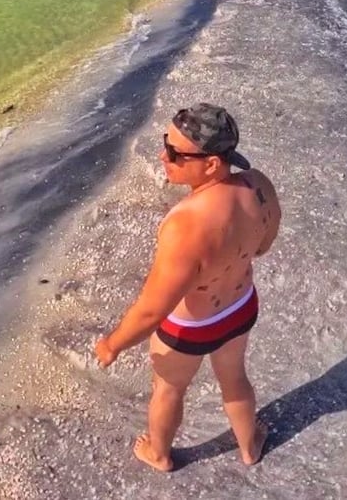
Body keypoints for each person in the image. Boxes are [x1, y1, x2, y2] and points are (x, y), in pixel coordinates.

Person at [94, 104, 281, 472]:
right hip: (240, 305)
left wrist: (112, 344)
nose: (164, 156)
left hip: (190, 328)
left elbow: (152, 310)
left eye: (176, 153)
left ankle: (159, 454)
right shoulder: (259, 185)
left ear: (211, 163)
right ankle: (249, 446)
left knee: (168, 389)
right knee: (235, 378)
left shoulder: (186, 225)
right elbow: (264, 244)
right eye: (166, 143)